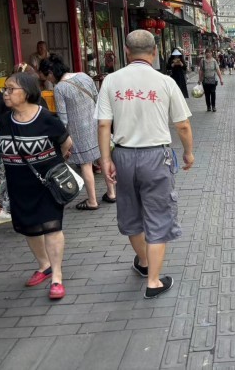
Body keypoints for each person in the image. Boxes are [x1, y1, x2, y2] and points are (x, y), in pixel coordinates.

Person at [96, 30, 194, 300]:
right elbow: (182, 125)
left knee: (131, 214)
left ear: (126, 51)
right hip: (156, 156)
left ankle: (143, 261)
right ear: (155, 52)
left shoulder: (111, 81)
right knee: (158, 215)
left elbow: (103, 125)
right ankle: (153, 281)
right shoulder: (165, 82)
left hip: (124, 155)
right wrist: (188, 152)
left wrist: (106, 159)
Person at [0, 71, 73, 299]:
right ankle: (44, 265)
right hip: (18, 185)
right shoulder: (4, 120)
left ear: (27, 92)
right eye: (5, 89)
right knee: (29, 227)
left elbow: (66, 143)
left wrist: (54, 164)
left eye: (11, 89)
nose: (6, 94)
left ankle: (57, 277)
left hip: (46, 184)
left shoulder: (46, 119)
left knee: (52, 227)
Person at [39, 54, 114, 211]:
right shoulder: (84, 76)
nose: (49, 81)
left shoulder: (60, 88)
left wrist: (62, 139)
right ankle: (112, 193)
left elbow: (63, 118)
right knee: (102, 158)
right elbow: (97, 98)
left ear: (51, 73)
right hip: (96, 125)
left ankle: (92, 201)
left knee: (86, 164)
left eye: (47, 77)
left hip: (78, 131)